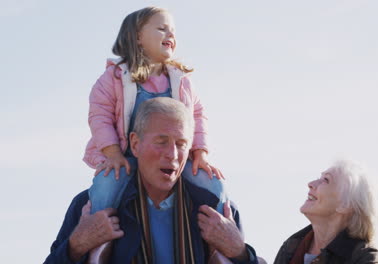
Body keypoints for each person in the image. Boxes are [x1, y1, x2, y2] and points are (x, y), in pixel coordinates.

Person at [44, 98, 258, 264]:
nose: (172, 154)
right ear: (135, 144)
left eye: (181, 143)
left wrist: (240, 253)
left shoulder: (216, 211)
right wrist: (76, 245)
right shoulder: (91, 206)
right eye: (161, 142)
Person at [83, 6, 227, 220]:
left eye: (173, 32)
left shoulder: (181, 81)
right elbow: (100, 116)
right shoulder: (114, 78)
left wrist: (200, 154)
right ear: (138, 37)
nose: (170, 35)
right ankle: (100, 241)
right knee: (107, 186)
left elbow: (196, 117)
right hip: (126, 157)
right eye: (162, 28)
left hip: (174, 159)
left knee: (213, 183)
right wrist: (112, 154)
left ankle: (217, 243)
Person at [274, 160, 378, 264]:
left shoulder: (364, 258)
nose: (311, 183)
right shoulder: (291, 247)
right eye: (319, 178)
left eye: (326, 180)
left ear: (345, 204)